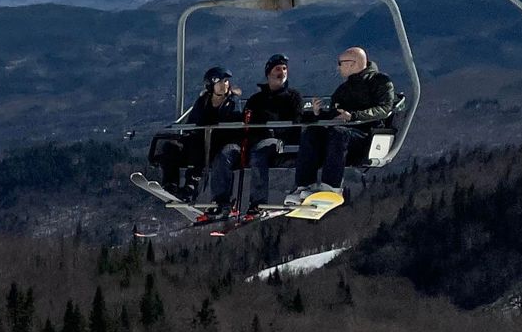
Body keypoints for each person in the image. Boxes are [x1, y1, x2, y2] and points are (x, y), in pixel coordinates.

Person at [292, 47, 398, 198]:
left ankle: (331, 186)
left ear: (352, 64)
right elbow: (336, 113)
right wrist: (318, 113)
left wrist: (353, 116)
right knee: (311, 133)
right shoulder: (343, 89)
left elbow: (384, 109)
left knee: (338, 133)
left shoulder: (380, 82)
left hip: (367, 134)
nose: (338, 67)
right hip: (343, 133)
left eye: (340, 63)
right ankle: (304, 185)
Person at [152, 66, 244, 203]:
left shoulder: (233, 103)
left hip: (220, 143)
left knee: (198, 146)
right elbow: (193, 122)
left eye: (225, 82)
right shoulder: (203, 102)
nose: (223, 85)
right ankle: (171, 184)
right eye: (219, 82)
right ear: (211, 85)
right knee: (171, 147)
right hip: (200, 140)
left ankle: (192, 185)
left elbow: (235, 125)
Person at [236, 54, 305, 215]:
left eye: (284, 69)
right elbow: (247, 123)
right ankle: (256, 203)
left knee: (261, 152)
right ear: (269, 73)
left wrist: (280, 133)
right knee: (258, 152)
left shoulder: (293, 97)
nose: (282, 72)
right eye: (278, 69)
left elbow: (297, 121)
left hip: (283, 141)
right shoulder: (256, 99)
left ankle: (261, 201)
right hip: (260, 141)